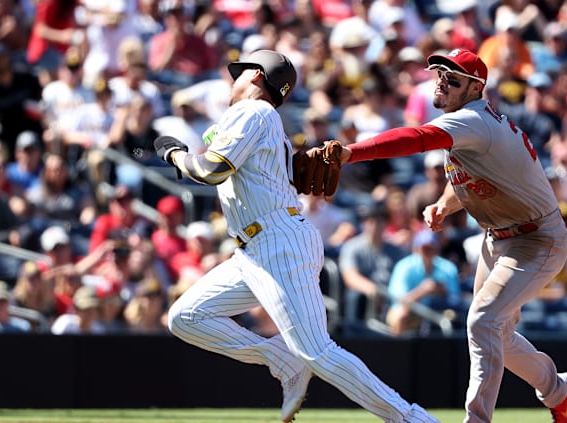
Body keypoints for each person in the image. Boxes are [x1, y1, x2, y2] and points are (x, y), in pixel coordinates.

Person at [155, 49, 438, 422]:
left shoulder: (253, 111)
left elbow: (211, 170)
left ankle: (411, 418)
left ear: (256, 75)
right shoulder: (267, 122)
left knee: (318, 351)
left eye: (238, 73)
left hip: (276, 241)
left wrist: (175, 154)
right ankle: (281, 359)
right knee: (186, 317)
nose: (233, 80)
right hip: (255, 248)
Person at [334, 48, 567, 422]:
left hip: (536, 239)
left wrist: (350, 153)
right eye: (439, 75)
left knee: (482, 320)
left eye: (453, 79)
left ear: (474, 87)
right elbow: (470, 177)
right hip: (500, 237)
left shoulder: (472, 120)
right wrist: (444, 204)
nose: (442, 82)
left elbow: (415, 137)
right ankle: (558, 390)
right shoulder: (470, 125)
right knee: (495, 331)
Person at [385, 228, 463, 336]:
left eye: (432, 248)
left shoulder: (447, 268)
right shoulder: (404, 267)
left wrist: (442, 292)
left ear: (437, 250)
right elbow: (399, 300)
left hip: (437, 311)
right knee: (401, 315)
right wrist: (422, 291)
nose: (428, 252)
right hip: (410, 311)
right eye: (424, 248)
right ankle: (398, 350)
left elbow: (456, 299)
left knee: (453, 317)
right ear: (416, 249)